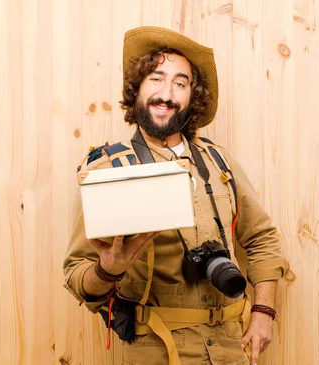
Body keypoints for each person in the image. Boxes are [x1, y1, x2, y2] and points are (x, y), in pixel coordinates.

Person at [63, 26, 288, 365]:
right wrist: (108, 270)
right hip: (156, 350)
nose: (166, 93)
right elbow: (77, 274)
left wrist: (264, 311)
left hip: (231, 349)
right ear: (137, 87)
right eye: (156, 78)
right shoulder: (109, 170)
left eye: (180, 83)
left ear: (191, 98)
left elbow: (262, 238)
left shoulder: (218, 160)